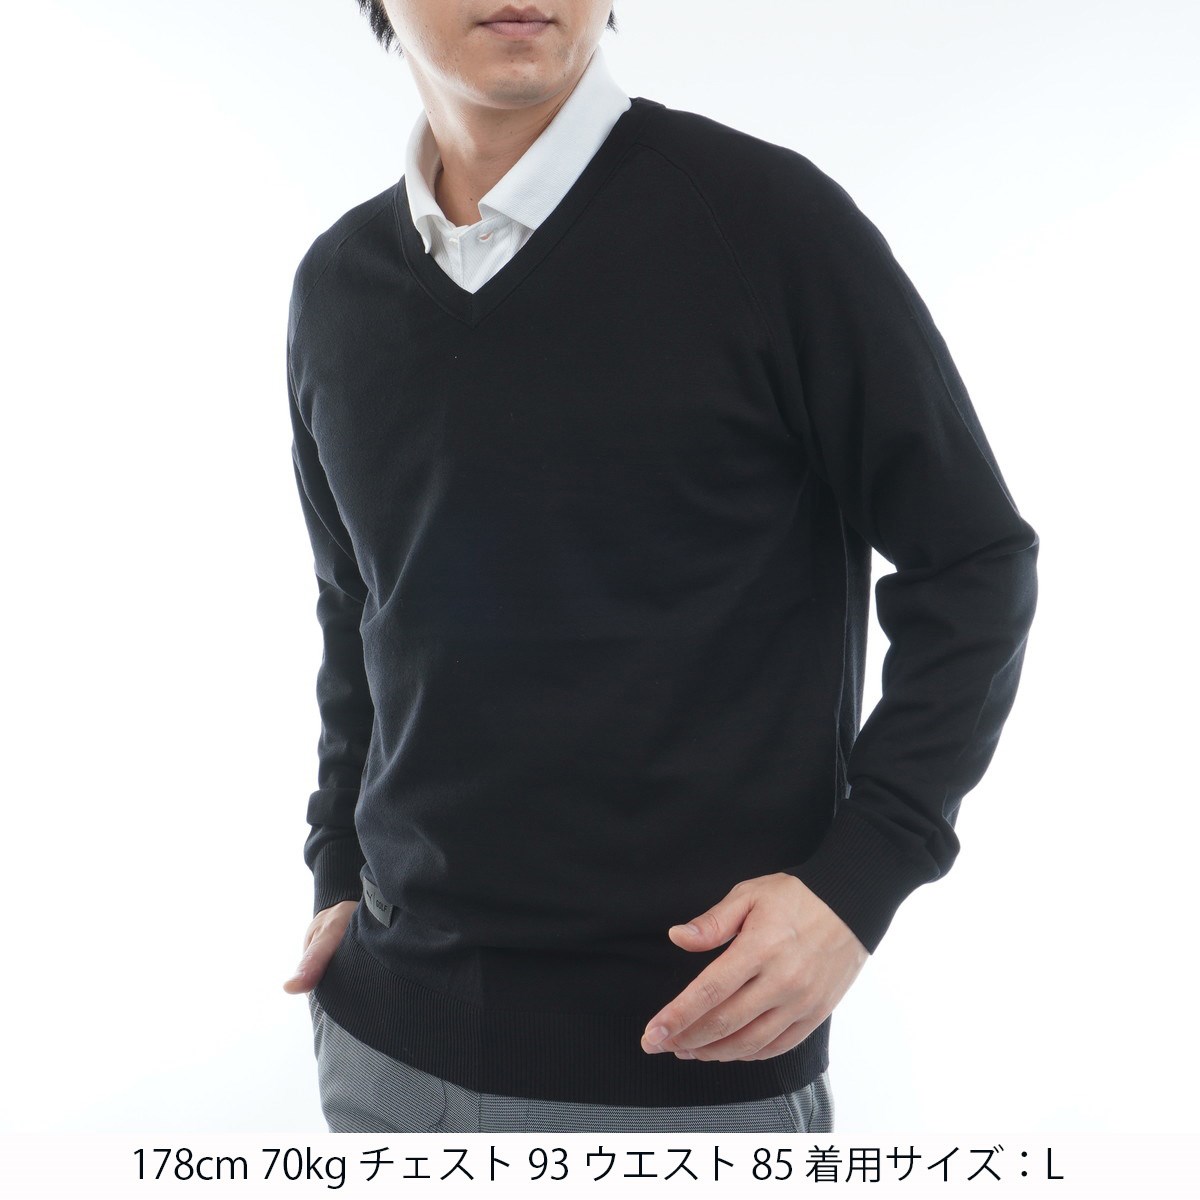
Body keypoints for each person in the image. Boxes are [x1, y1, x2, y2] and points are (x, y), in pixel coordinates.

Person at [281, 1, 1039, 1135]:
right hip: (383, 1046)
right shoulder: (337, 286)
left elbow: (974, 558)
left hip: (693, 1051)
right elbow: (359, 606)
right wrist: (334, 866)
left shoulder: (767, 225)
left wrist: (861, 881)